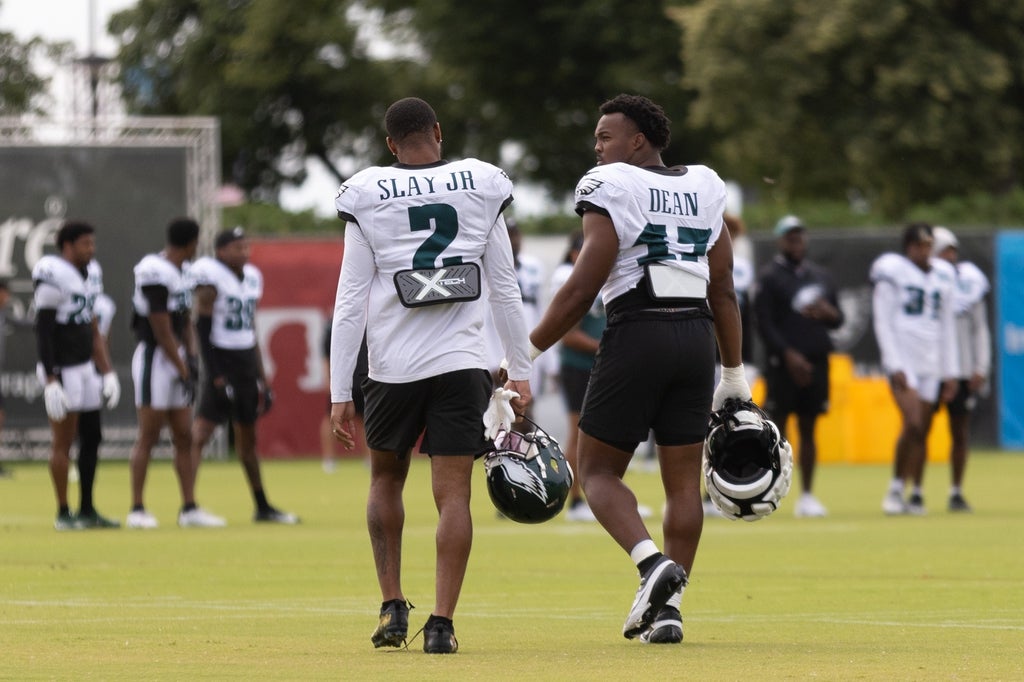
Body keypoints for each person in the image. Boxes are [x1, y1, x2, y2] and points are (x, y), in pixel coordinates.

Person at [529, 94, 750, 644]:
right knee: (681, 487)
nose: (598, 147)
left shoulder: (611, 185)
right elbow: (722, 286)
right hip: (696, 337)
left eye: (606, 137)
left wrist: (524, 352)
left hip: (638, 330)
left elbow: (582, 285)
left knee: (596, 471)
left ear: (639, 140)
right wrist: (733, 374)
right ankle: (670, 612)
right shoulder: (703, 184)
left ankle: (652, 566)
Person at [329, 97, 532, 654]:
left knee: (384, 481)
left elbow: (349, 300)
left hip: (392, 365)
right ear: (438, 132)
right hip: (463, 361)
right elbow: (505, 286)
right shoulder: (481, 183)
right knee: (454, 497)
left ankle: (393, 605)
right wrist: (520, 368)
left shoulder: (368, 191)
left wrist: (339, 389)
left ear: (390, 144)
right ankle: (441, 625)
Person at [189, 226, 298, 525]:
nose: (244, 252)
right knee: (199, 434)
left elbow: (250, 328)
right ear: (220, 251)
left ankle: (262, 505)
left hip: (245, 361)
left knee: (248, 441)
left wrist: (262, 377)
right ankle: (188, 505)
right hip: (219, 358)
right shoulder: (209, 276)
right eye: (237, 247)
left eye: (245, 246)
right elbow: (202, 327)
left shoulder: (252, 276)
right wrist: (216, 376)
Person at [126, 218, 225, 529]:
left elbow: (184, 322)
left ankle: (188, 507)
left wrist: (191, 361)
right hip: (155, 359)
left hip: (177, 358)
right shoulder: (154, 269)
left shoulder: (182, 273)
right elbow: (161, 327)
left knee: (183, 435)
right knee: (149, 435)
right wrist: (184, 368)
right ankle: (137, 508)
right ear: (191, 243)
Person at [33, 220, 121, 530]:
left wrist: (106, 370)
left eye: (92, 243)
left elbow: (92, 325)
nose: (91, 249)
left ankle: (87, 508)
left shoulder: (92, 272)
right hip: (62, 368)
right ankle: (63, 511)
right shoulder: (52, 275)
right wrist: (51, 379)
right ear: (67, 245)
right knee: (63, 442)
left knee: (92, 437)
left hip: (85, 367)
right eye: (85, 243)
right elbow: (43, 332)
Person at [753, 215, 844, 518]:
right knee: (776, 428)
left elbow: (838, 319)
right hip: (784, 364)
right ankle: (768, 490)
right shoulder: (769, 277)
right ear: (781, 241)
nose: (796, 241)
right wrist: (788, 355)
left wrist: (829, 313)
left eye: (799, 236)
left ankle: (806, 495)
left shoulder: (821, 276)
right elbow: (763, 323)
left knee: (809, 427)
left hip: (817, 361)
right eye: (790, 237)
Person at [870, 223, 959, 516]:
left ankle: (917, 492)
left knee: (924, 431)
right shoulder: (893, 272)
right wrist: (893, 363)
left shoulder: (943, 275)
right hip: (904, 358)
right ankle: (896, 486)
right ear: (908, 247)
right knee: (913, 422)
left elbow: (947, 325)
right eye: (919, 245)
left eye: (927, 245)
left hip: (931, 359)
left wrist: (950, 371)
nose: (924, 250)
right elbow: (883, 320)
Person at [931, 226, 991, 512]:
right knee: (919, 429)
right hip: (931, 368)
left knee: (960, 431)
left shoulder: (969, 281)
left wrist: (981, 365)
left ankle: (956, 490)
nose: (950, 256)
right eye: (944, 251)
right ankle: (912, 490)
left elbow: (980, 328)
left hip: (964, 368)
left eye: (953, 251)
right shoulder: (923, 282)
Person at [549, 230, 605, 522]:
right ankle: (575, 501)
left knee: (603, 437)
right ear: (573, 254)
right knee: (580, 435)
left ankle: (601, 500)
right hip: (579, 365)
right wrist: (608, 348)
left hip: (597, 366)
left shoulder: (599, 277)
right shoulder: (569, 278)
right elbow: (568, 335)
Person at [320, 320, 368, 473]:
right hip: (342, 380)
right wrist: (329, 381)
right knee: (331, 418)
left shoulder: (370, 320)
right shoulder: (333, 325)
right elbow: (326, 355)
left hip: (365, 378)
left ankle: (370, 459)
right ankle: (329, 459)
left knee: (366, 420)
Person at [0, 279, 33, 478]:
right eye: (6, 293)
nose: (8, 298)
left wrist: (46, 323)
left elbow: (22, 324)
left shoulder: (3, 315)